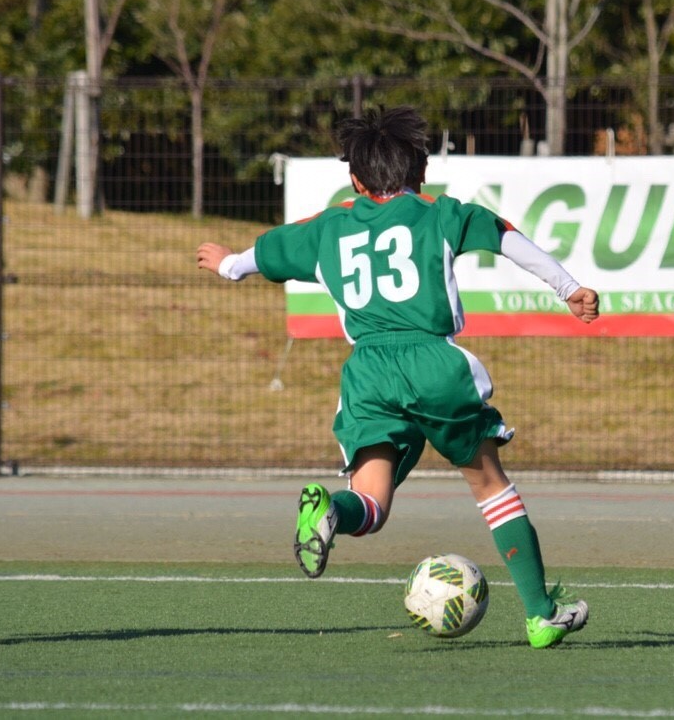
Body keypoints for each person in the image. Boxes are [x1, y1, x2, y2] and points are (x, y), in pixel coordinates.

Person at [197, 105, 600, 649]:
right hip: (431, 363)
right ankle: (539, 615)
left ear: (355, 180)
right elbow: (506, 238)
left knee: (371, 504)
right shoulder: (440, 213)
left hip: (366, 373)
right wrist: (568, 287)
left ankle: (330, 510)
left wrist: (227, 264)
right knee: (489, 484)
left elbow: (263, 255)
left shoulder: (330, 224)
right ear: (423, 172)